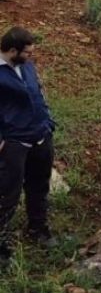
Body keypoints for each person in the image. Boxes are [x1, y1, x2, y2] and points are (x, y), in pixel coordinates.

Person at [0, 27, 56, 266]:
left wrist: (48, 121)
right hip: (13, 142)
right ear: (13, 51)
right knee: (6, 194)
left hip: (41, 136)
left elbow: (39, 94)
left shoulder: (28, 67)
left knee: (39, 185)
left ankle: (38, 229)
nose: (31, 56)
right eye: (28, 52)